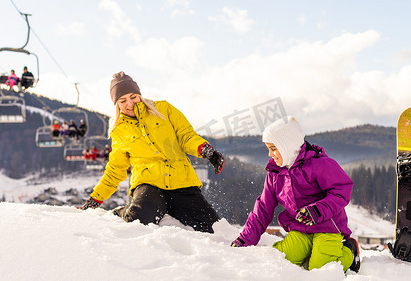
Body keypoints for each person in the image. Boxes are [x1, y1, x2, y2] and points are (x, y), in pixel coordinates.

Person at [78, 71, 225, 234]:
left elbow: (186, 135)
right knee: (138, 221)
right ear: (116, 104)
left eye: (133, 97)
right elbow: (115, 170)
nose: (130, 104)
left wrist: (205, 150)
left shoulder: (163, 109)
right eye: (123, 100)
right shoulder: (119, 131)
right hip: (149, 184)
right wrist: (95, 199)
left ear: (139, 95)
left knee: (214, 229)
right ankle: (123, 211)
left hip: (181, 181)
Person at [230, 116, 360, 273]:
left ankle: (349, 252)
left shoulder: (320, 164)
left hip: (328, 227)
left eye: (273, 148)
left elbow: (341, 189)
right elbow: (263, 209)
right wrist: (245, 239)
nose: (270, 155)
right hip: (300, 229)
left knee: (321, 270)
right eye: (268, 149)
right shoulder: (275, 174)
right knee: (282, 259)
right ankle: (310, 252)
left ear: (287, 145)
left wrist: (317, 211)